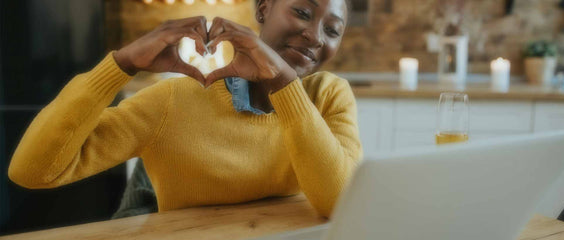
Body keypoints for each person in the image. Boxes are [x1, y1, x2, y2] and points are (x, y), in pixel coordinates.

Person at [8, 0, 362, 218]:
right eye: (302, 12)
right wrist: (121, 64)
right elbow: (33, 171)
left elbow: (343, 204)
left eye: (333, 30)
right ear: (264, 8)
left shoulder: (329, 95)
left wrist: (283, 85)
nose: (316, 36)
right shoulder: (172, 102)